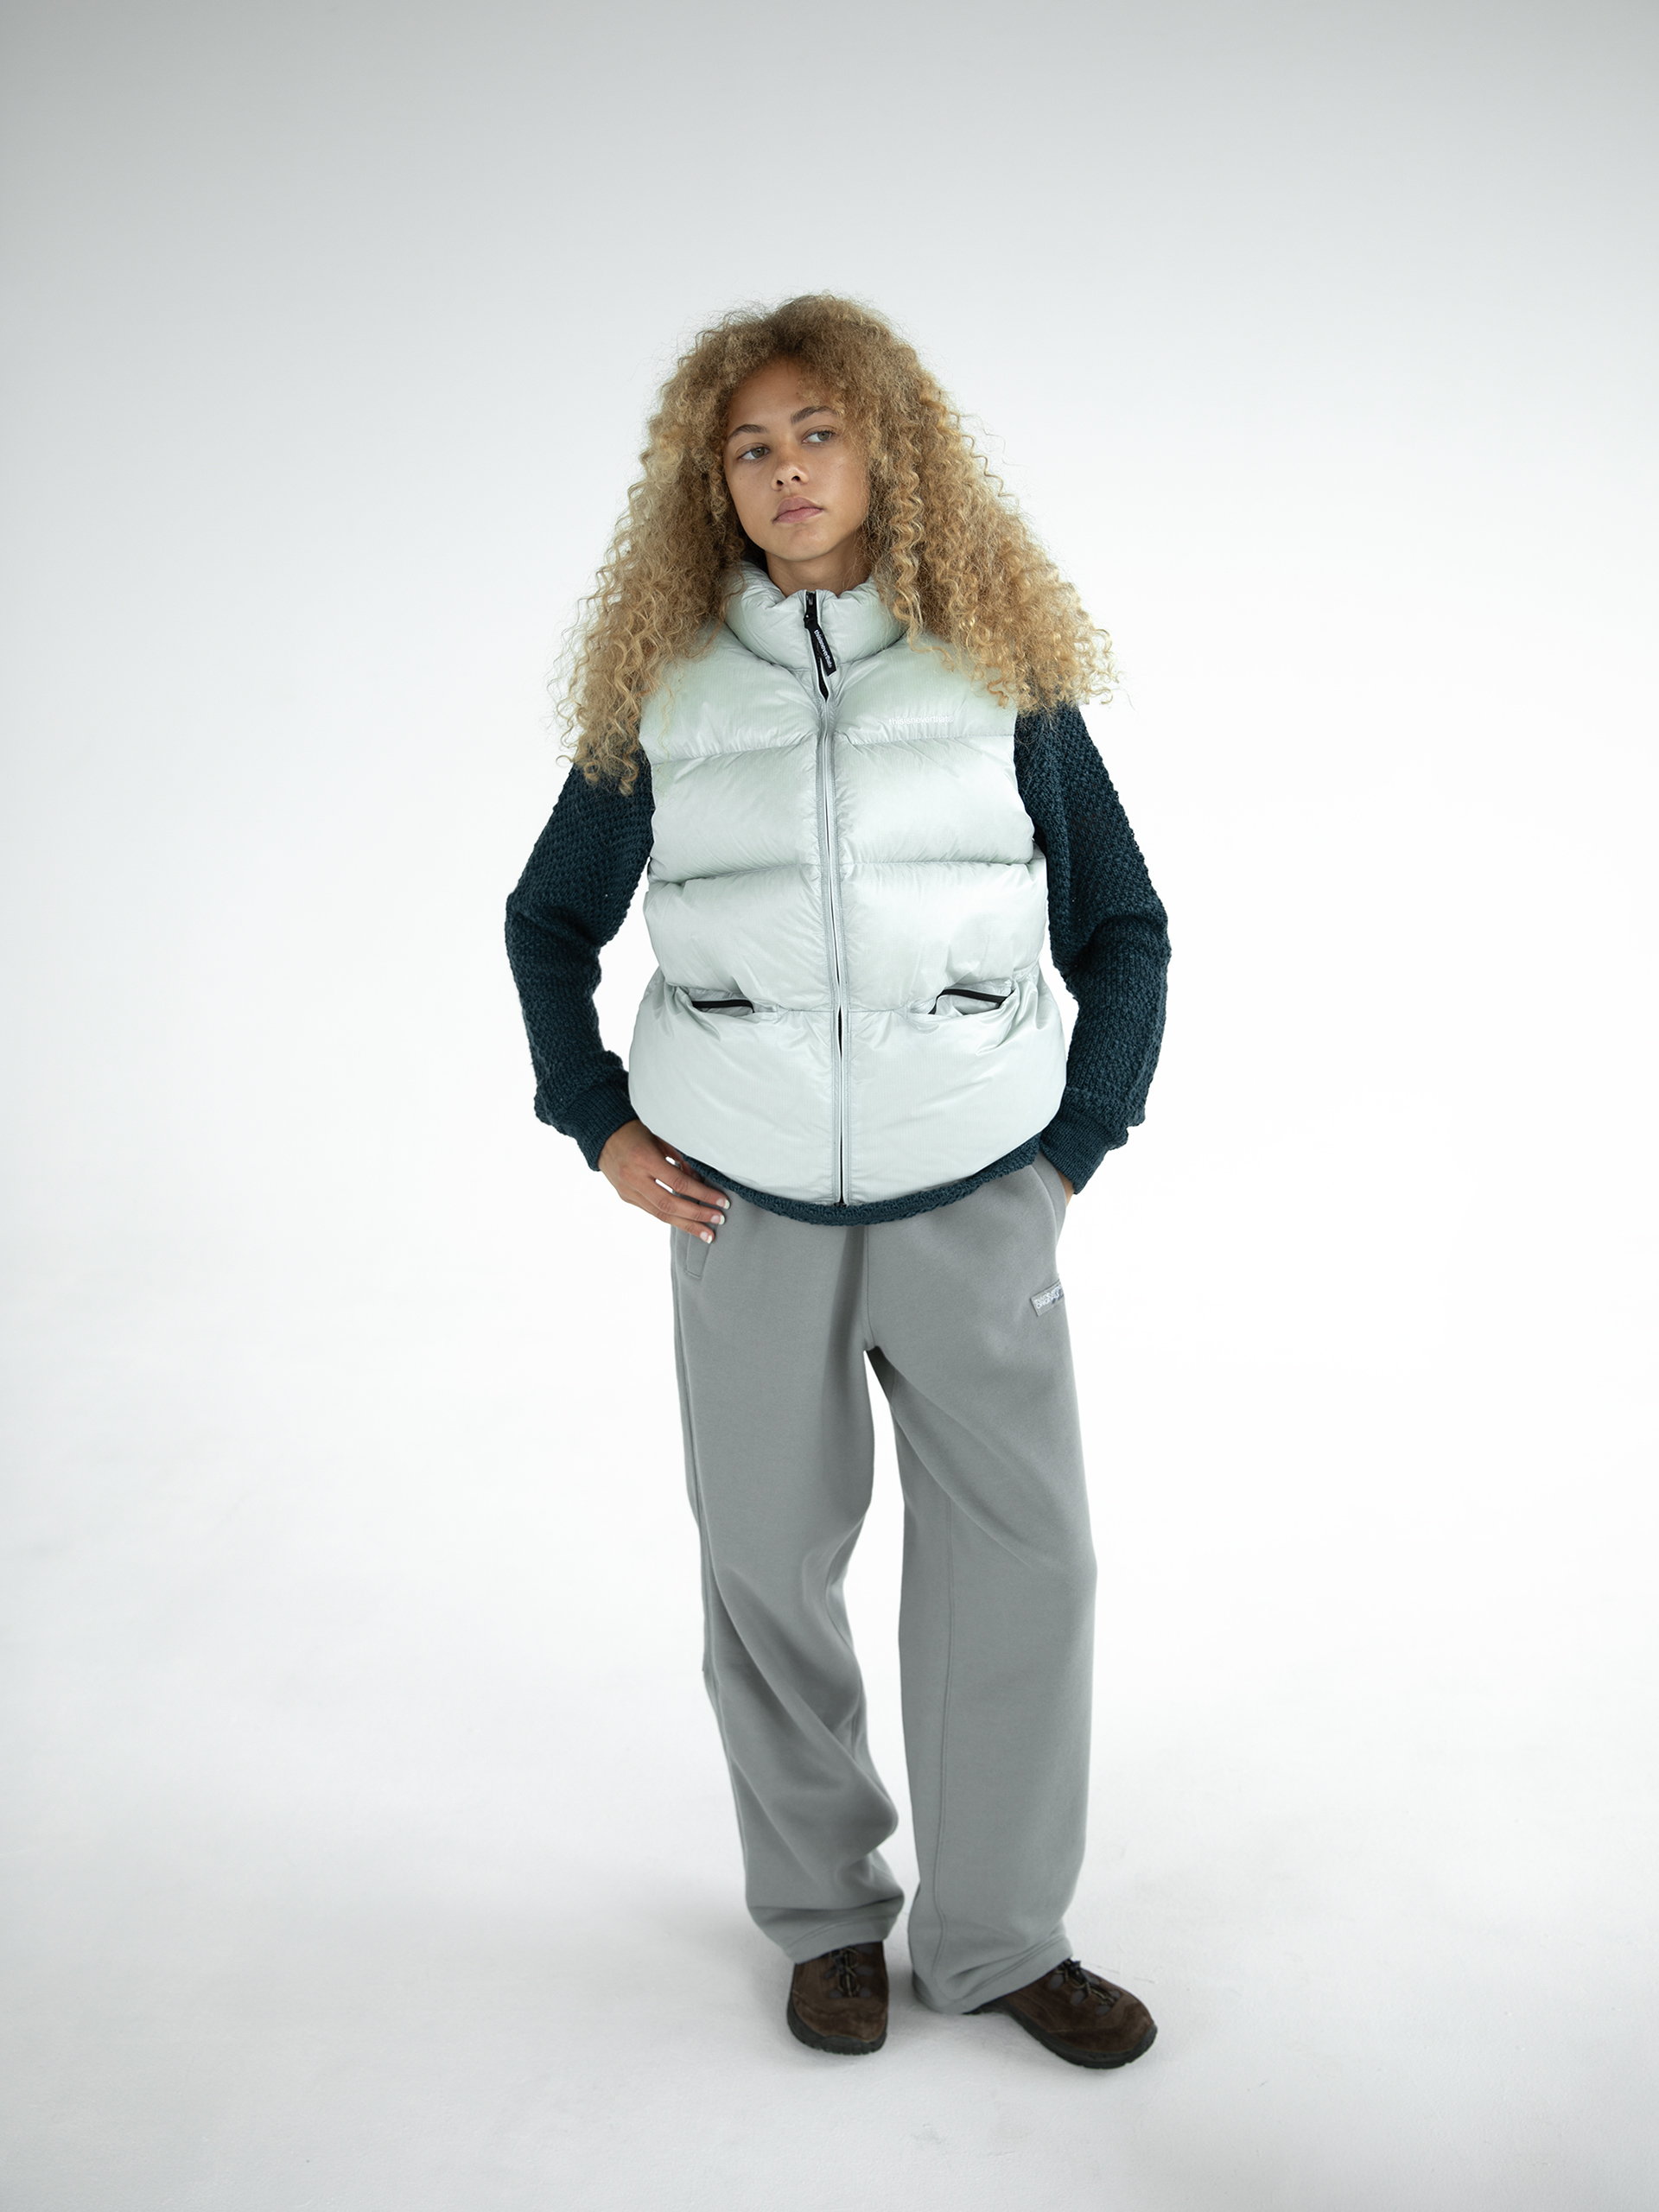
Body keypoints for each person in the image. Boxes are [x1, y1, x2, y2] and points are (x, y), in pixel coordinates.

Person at [505, 295, 1170, 2069]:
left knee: (1029, 1564)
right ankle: (824, 1920)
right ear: (712, 484)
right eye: (751, 446)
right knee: (768, 1573)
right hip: (744, 1210)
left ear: (888, 451)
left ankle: (1001, 1938)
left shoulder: (997, 672)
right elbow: (546, 921)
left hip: (975, 1198)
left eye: (818, 432)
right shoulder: (666, 693)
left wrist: (1070, 1152)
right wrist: (602, 1123)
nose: (786, 469)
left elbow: (1125, 925)